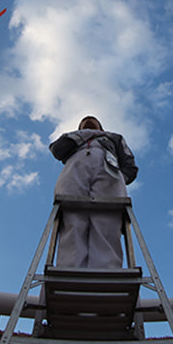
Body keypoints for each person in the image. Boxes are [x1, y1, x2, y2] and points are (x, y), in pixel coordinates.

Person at [49, 115, 138, 268]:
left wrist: (118, 177)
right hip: (75, 168)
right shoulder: (72, 139)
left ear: (102, 127)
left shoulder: (114, 138)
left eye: (93, 121)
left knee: (108, 219)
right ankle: (70, 268)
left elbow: (129, 163)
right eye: (83, 122)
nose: (88, 120)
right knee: (72, 216)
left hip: (108, 168)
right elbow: (57, 150)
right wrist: (81, 135)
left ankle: (107, 269)